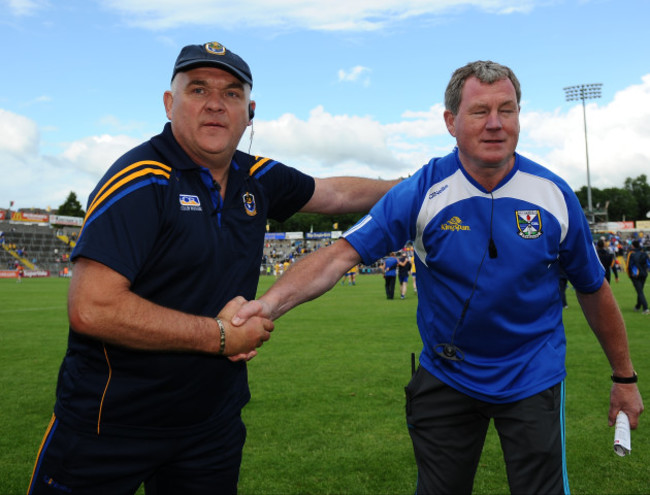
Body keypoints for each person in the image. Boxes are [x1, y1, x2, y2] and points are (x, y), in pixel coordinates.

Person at [233, 60, 644, 495]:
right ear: (451, 122)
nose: (495, 124)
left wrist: (624, 378)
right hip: (448, 374)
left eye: (507, 110)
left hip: (532, 376)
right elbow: (339, 255)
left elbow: (592, 287)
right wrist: (267, 306)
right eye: (479, 111)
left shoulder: (555, 195)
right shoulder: (423, 190)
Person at [27, 41, 399, 495]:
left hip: (210, 426)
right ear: (169, 102)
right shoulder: (140, 179)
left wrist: (415, 184)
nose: (216, 105)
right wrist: (221, 337)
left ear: (250, 111)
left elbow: (335, 195)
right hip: (111, 426)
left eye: (232, 93)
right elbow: (92, 307)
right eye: (198, 89)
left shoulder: (257, 177)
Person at [626, 239, 649, 314]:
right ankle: (638, 306)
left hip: (635, 275)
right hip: (644, 274)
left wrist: (630, 274)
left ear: (633, 246)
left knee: (640, 291)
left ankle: (645, 308)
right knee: (640, 290)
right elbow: (648, 264)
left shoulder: (631, 253)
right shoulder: (644, 253)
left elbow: (628, 265)